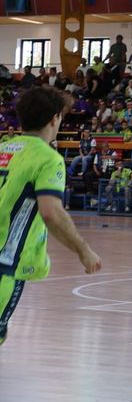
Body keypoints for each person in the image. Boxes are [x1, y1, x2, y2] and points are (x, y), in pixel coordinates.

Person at [0, 88, 103, 348]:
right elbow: (51, 212)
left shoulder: (4, 149)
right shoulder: (48, 159)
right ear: (55, 119)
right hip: (4, 264)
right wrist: (83, 250)